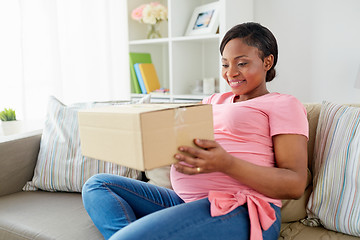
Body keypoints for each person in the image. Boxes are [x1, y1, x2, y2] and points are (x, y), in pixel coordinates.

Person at [82, 22, 309, 240]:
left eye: (241, 63)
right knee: (97, 185)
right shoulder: (211, 100)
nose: (231, 73)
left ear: (267, 62)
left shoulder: (283, 104)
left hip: (241, 209)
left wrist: (226, 163)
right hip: (185, 203)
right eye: (225, 64)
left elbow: (295, 183)